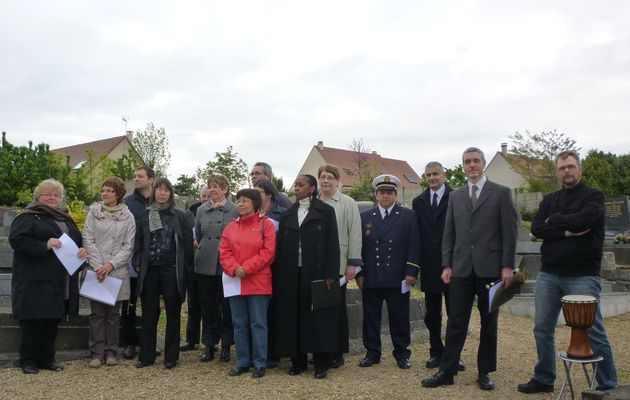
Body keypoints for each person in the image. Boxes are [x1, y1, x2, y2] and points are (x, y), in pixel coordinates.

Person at [517, 150, 617, 394]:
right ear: (557, 171)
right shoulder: (550, 199)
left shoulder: (594, 195)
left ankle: (608, 384)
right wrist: (565, 231)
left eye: (571, 167)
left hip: (583, 275)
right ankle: (544, 378)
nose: (567, 172)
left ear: (579, 168)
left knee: (593, 330)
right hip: (549, 274)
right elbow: (538, 228)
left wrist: (556, 220)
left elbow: (586, 219)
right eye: (562, 168)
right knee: (542, 328)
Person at [421, 147, 518, 391]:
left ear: (483, 163)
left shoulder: (501, 193)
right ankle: (447, 369)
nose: (472, 165)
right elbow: (449, 233)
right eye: (467, 162)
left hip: (491, 269)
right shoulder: (456, 196)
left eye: (476, 161)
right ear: (463, 166)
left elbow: (509, 232)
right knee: (456, 321)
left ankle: (484, 371)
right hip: (461, 269)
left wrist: (507, 265)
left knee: (489, 322)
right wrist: (446, 264)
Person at [9, 178, 87, 374]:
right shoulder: (27, 216)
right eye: (48, 194)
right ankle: (28, 360)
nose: (53, 197)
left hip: (59, 279)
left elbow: (77, 241)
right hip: (34, 278)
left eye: (56, 195)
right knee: (32, 321)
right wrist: (45, 245)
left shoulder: (65, 218)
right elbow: (17, 241)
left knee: (53, 320)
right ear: (38, 196)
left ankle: (47, 358)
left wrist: (81, 252)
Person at [272, 174, 340, 379]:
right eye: (295, 185)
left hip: (316, 271)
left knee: (317, 317)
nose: (296, 188)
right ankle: (297, 360)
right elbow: (281, 246)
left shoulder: (326, 211)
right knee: (293, 315)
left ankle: (321, 363)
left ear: (312, 188)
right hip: (290, 273)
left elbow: (332, 243)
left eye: (301, 185)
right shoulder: (288, 214)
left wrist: (331, 273)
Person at [357, 174, 420, 370]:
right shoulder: (365, 217)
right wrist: (360, 273)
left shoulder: (408, 216)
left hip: (398, 276)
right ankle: (372, 353)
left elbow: (414, 246)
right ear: (376, 195)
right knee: (370, 317)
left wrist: (411, 272)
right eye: (382, 192)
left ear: (395, 194)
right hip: (372, 276)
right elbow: (359, 247)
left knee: (399, 317)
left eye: (389, 192)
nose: (385, 196)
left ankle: (402, 353)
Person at [134, 178, 194, 369]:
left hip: (171, 270)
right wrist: (137, 261)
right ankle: (146, 355)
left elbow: (186, 245)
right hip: (150, 269)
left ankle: (171, 356)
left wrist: (186, 267)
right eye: (159, 189)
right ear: (154, 193)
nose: (162, 193)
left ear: (170, 194)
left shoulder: (179, 216)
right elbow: (138, 241)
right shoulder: (145, 215)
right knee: (149, 313)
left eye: (166, 190)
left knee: (173, 313)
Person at [411, 162, 465, 372]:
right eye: (428, 175)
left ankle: (454, 355)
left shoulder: (457, 197)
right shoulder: (419, 201)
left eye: (436, 174)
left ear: (444, 175)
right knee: (432, 313)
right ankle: (436, 352)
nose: (432, 178)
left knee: (455, 313)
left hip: (453, 264)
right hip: (430, 264)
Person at [219, 189, 276, 379]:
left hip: (258, 281)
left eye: (245, 201)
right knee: (239, 323)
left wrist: (247, 268)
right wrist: (235, 268)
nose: (241, 204)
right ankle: (242, 361)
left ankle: (260, 362)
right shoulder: (230, 227)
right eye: (239, 201)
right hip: (236, 281)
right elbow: (224, 251)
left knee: (258, 323)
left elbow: (268, 252)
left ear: (255, 204)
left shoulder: (265, 225)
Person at [82, 177, 135, 368]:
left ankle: (111, 352)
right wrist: (98, 266)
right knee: (97, 313)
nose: (105, 193)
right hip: (97, 269)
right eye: (103, 190)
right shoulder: (93, 213)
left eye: (109, 191)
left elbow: (128, 245)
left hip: (116, 270)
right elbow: (88, 238)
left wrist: (110, 265)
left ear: (118, 194)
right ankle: (96, 353)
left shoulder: (128, 217)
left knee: (113, 314)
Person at [317, 164, 362, 369]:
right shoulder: (312, 201)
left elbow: (355, 233)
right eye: (322, 177)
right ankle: (319, 349)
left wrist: (353, 262)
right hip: (315, 264)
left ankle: (336, 351)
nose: (326, 181)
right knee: (317, 310)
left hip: (339, 264)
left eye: (330, 177)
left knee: (336, 309)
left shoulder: (347, 203)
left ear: (337, 181)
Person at [194, 174, 238, 362]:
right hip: (205, 262)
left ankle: (226, 345)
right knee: (207, 306)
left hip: (226, 264)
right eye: (210, 186)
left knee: (226, 307)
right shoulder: (202, 210)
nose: (212, 190)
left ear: (225, 189)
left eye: (217, 186)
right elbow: (198, 233)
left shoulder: (235, 210)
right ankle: (209, 344)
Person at [121, 165, 155, 360]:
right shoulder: (128, 203)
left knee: (150, 305)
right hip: (132, 259)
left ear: (150, 179)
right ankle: (129, 342)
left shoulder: (158, 200)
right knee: (130, 303)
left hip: (152, 260)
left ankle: (148, 342)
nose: (136, 179)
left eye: (140, 176)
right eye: (134, 176)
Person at [180, 185, 210, 352]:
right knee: (193, 304)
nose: (205, 198)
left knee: (208, 304)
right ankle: (191, 339)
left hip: (209, 263)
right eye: (203, 196)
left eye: (208, 195)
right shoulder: (189, 214)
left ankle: (207, 340)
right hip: (192, 263)